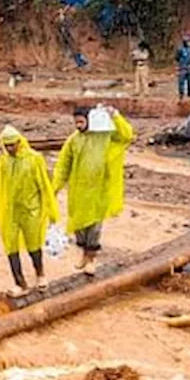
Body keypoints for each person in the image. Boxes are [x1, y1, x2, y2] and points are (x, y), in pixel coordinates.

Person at [0, 126, 59, 296]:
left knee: (33, 243)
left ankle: (40, 274)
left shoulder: (34, 159)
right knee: (11, 247)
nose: (10, 148)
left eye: (12, 144)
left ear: (19, 141)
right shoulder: (2, 162)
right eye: (6, 145)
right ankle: (20, 283)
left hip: (30, 210)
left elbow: (45, 186)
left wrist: (51, 210)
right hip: (8, 212)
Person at [52, 105, 134, 276]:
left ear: (90, 120)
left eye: (81, 122)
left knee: (94, 228)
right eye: (76, 122)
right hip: (78, 191)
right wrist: (54, 188)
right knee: (79, 227)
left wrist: (116, 116)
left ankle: (91, 260)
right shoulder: (73, 140)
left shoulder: (104, 136)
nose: (78, 126)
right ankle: (84, 255)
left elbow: (126, 135)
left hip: (99, 190)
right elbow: (63, 166)